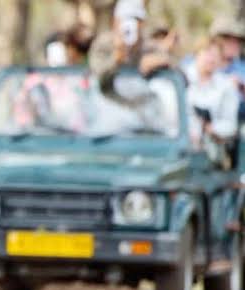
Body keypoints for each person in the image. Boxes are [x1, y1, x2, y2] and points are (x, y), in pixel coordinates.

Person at [88, 0, 172, 103]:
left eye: (136, 19)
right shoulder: (103, 44)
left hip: (139, 108)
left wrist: (160, 61)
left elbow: (175, 66)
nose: (131, 25)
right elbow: (95, 75)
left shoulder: (147, 46)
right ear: (115, 21)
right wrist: (115, 59)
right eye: (126, 19)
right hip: (107, 106)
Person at [185, 38, 239, 167]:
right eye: (207, 53)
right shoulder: (181, 77)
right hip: (181, 147)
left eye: (216, 55)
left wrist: (211, 128)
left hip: (211, 152)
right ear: (197, 54)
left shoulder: (226, 86)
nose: (211, 59)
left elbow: (230, 124)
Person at [210, 16, 245, 117]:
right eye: (229, 40)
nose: (235, 45)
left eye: (238, 41)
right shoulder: (198, 63)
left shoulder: (241, 68)